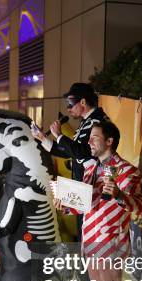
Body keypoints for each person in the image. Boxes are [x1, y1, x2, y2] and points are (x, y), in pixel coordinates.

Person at [53, 121, 142, 281]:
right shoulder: (92, 168)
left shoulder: (128, 171)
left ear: (109, 141)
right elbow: (86, 204)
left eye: (94, 137)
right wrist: (66, 204)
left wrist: (120, 195)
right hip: (90, 241)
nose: (89, 142)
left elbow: (140, 208)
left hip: (110, 242)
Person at [35, 83, 109, 237]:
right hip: (83, 189)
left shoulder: (97, 122)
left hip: (94, 189)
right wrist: (43, 138)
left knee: (91, 236)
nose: (68, 109)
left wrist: (60, 136)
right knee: (82, 233)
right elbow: (70, 152)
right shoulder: (87, 122)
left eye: (70, 103)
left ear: (83, 102)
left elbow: (83, 153)